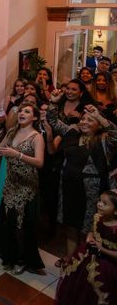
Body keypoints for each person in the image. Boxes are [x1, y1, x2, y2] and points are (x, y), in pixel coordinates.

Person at [0, 104, 45, 275]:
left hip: (27, 186)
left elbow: (40, 162)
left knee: (22, 224)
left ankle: (22, 259)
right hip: (11, 183)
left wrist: (18, 155)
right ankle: (8, 252)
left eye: (27, 111)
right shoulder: (12, 132)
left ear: (34, 117)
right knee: (9, 220)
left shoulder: (36, 137)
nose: (22, 113)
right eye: (21, 110)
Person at [47, 93, 117, 256]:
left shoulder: (104, 141)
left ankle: (85, 261)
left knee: (88, 228)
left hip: (91, 193)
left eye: (90, 120)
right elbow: (53, 122)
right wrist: (53, 103)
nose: (84, 121)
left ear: (98, 125)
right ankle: (71, 259)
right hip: (68, 187)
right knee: (70, 225)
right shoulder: (72, 133)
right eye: (83, 119)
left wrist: (99, 116)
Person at [55, 190, 117, 304]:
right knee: (77, 282)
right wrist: (90, 236)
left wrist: (101, 248)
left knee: (97, 288)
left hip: (107, 264)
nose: (99, 204)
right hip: (88, 254)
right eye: (99, 200)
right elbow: (92, 231)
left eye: (105, 203)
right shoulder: (98, 217)